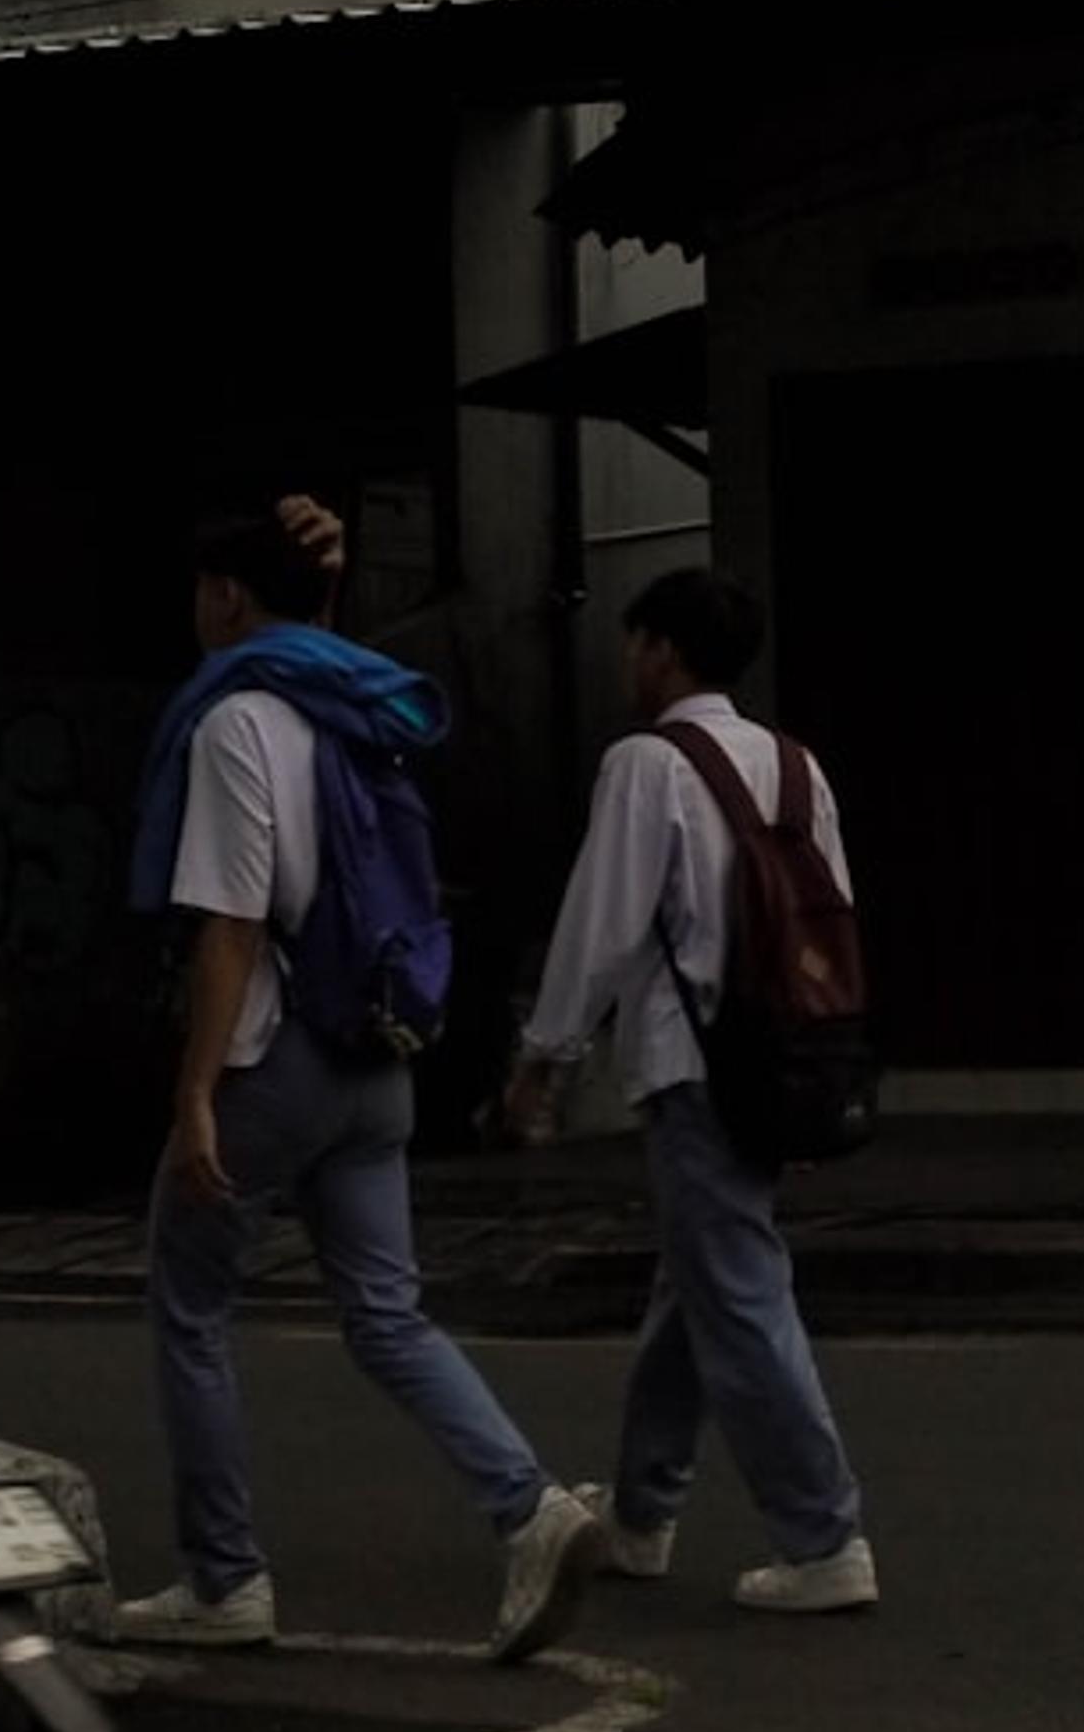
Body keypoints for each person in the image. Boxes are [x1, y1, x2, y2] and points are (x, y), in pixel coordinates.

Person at [112, 503, 605, 1663]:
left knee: (188, 1305)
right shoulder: (354, 702)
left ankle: (224, 1578)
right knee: (388, 1315)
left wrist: (193, 1096)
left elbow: (231, 926)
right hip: (377, 1057)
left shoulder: (236, 715)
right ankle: (531, 1509)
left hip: (276, 1060)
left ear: (229, 597)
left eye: (204, 592)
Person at [505, 568, 876, 1615]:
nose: (627, 664)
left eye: (632, 646)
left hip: (692, 1067)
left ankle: (823, 1537)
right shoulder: (797, 767)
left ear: (662, 651)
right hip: (783, 1061)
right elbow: (830, 924)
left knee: (739, 1294)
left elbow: (602, 927)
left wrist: (544, 1057)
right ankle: (641, 1510)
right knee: (697, 1287)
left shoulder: (647, 765)